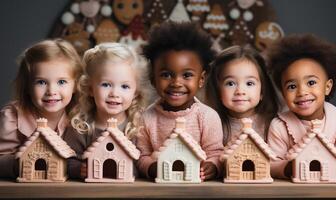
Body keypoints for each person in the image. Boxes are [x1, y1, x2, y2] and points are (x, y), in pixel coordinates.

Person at [137, 21, 224, 181]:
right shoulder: (146, 118)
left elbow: (216, 153)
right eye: (166, 74)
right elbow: (141, 155)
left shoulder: (208, 117)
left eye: (187, 75)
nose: (176, 83)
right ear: (153, 79)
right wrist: (151, 167)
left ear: (201, 79)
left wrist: (212, 166)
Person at [267, 33, 336, 179]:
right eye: (292, 86)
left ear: (327, 87)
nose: (302, 92)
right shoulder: (279, 127)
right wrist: (288, 168)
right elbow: (271, 164)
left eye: (311, 83)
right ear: (283, 93)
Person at [0, 39, 82, 178]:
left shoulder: (79, 117)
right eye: (41, 82)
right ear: (27, 86)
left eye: (61, 82)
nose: (51, 91)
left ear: (75, 85)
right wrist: (18, 164)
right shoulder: (13, 117)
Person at [65, 43, 149, 179]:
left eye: (125, 86)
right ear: (91, 89)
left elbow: (143, 161)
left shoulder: (138, 125)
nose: (114, 93)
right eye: (106, 84)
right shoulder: (81, 126)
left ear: (135, 92)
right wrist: (79, 169)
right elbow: (68, 159)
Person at [206, 45, 279, 145]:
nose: (240, 91)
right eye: (230, 83)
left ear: (262, 91)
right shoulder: (212, 124)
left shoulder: (273, 125)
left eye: (249, 83)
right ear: (218, 91)